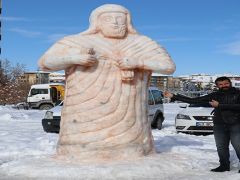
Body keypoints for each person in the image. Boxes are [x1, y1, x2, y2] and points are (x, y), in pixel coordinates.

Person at [38, 4, 175, 161]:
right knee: (81, 146)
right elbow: (45, 62)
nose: (115, 23)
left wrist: (138, 62)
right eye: (108, 18)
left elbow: (168, 67)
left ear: (128, 22)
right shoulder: (76, 41)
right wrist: (74, 58)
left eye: (120, 19)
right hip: (84, 109)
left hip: (128, 108)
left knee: (130, 149)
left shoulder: (141, 43)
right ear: (97, 22)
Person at [164, 76, 240, 172]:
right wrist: (174, 96)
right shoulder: (215, 95)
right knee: (221, 146)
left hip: (235, 123)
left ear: (230, 83)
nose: (224, 85)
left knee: (238, 145)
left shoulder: (238, 93)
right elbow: (194, 100)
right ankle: (224, 165)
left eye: (226, 83)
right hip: (219, 124)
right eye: (221, 84)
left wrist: (220, 105)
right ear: (217, 86)